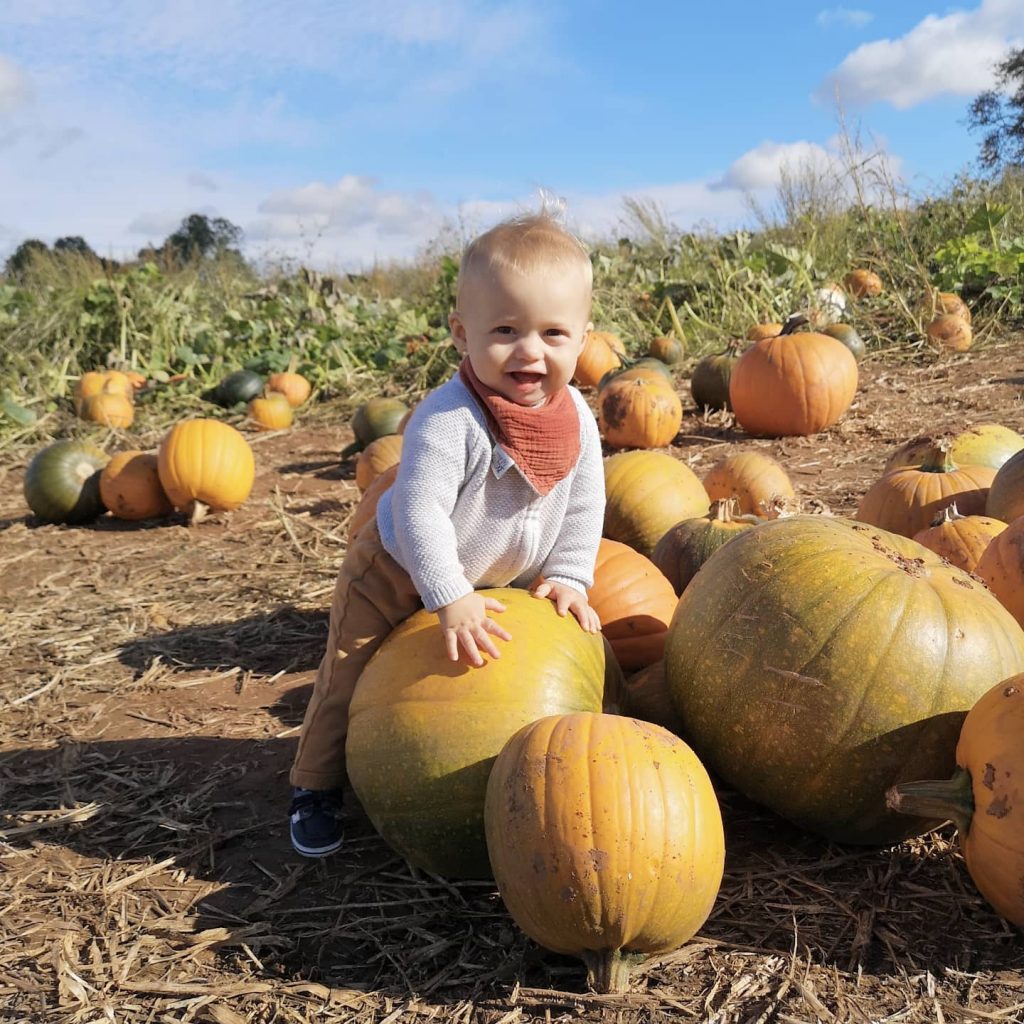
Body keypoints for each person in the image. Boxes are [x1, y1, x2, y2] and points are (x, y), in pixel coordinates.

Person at [288, 208, 606, 857]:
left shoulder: (576, 415)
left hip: (497, 572)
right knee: (347, 674)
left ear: (582, 340)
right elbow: (419, 514)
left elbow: (583, 501)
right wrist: (449, 594)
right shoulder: (447, 420)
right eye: (505, 330)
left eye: (552, 333)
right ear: (463, 334)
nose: (530, 352)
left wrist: (570, 574)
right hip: (400, 568)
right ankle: (313, 786)